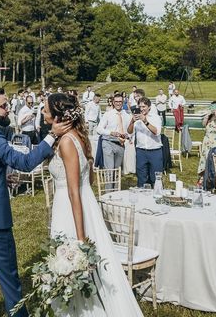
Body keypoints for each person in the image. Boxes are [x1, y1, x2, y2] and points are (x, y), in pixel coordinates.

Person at [0, 88, 71, 317]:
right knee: (10, 282)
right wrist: (51, 135)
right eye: (4, 106)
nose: (8, 109)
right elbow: (26, 163)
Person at [46, 92, 144, 316]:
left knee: (73, 259)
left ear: (58, 115)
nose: (43, 112)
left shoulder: (67, 143)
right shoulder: (77, 137)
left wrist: (80, 238)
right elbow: (88, 179)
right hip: (83, 203)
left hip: (70, 209)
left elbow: (73, 190)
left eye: (46, 109)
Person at [127, 96, 163, 187]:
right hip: (141, 151)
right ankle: (142, 197)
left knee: (156, 178)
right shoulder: (136, 118)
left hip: (155, 151)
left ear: (149, 107)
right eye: (140, 106)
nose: (141, 109)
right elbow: (129, 131)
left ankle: (156, 196)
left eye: (144, 107)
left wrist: (145, 121)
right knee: (141, 178)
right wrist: (132, 121)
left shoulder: (156, 117)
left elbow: (157, 132)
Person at [96, 94, 131, 173]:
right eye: (116, 101)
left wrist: (127, 135)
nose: (118, 103)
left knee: (117, 170)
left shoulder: (127, 116)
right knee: (110, 169)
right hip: (108, 142)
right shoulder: (108, 114)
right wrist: (110, 133)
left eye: (120, 101)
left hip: (121, 144)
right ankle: (109, 185)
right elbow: (99, 129)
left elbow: (130, 131)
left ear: (123, 102)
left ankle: (116, 186)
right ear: (113, 102)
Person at [198, 101, 216, 182]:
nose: (213, 109)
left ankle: (214, 178)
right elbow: (203, 124)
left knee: (215, 159)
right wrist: (207, 116)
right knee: (205, 159)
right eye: (211, 107)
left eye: (214, 107)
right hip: (206, 141)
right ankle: (203, 178)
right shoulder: (209, 117)